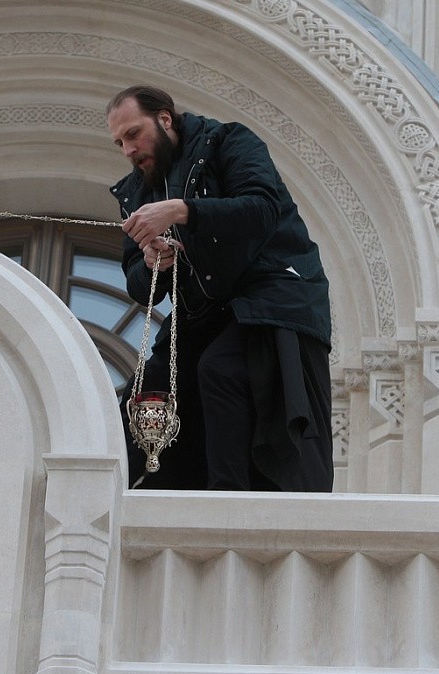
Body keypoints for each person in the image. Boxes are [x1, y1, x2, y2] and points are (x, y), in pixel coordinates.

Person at [108, 85, 333, 492]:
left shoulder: (228, 141)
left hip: (269, 294)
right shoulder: (135, 192)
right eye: (120, 142)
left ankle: (226, 499)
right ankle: (114, 500)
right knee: (146, 393)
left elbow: (263, 209)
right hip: (201, 314)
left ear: (164, 119)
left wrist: (181, 211)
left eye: (133, 133)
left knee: (221, 368)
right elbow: (140, 287)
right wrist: (152, 262)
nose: (128, 149)